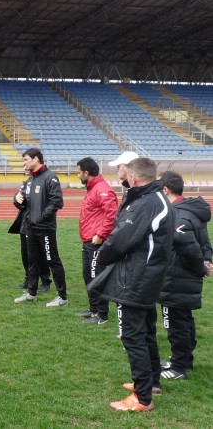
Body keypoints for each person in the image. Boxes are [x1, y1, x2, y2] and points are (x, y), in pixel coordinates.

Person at [88, 157, 173, 412]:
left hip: (135, 280)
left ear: (133, 177)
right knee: (146, 332)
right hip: (147, 277)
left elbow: (120, 239)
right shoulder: (155, 198)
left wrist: (101, 256)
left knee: (132, 336)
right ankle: (151, 382)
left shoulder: (146, 203)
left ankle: (142, 397)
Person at [158, 171, 212, 380]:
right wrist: (206, 260)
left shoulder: (178, 214)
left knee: (176, 323)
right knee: (184, 319)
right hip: (184, 277)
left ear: (165, 190)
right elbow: (205, 242)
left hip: (177, 277)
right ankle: (183, 360)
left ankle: (179, 367)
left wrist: (201, 267)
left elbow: (189, 247)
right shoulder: (191, 210)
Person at [13, 148, 68, 306]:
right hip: (30, 228)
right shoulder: (30, 179)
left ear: (36, 159)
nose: (24, 163)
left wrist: (40, 218)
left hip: (45, 228)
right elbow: (24, 203)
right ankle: (31, 293)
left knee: (52, 260)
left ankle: (62, 297)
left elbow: (56, 202)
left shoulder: (50, 177)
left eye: (26, 160)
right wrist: (17, 199)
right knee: (32, 261)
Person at [76, 157, 117, 324]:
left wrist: (100, 234)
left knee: (96, 277)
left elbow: (111, 214)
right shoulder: (93, 188)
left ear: (86, 173)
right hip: (88, 240)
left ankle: (102, 315)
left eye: (79, 172)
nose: (78, 175)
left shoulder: (102, 189)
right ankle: (93, 309)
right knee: (88, 276)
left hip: (96, 242)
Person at [9, 199, 51, 291]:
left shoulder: (43, 190)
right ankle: (29, 279)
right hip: (25, 224)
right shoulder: (25, 189)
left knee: (41, 254)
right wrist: (17, 199)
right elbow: (18, 203)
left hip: (39, 225)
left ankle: (45, 281)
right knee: (25, 254)